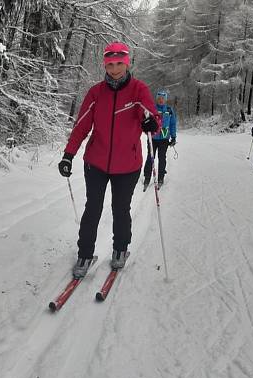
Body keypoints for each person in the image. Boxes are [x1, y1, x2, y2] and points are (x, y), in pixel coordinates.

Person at [58, 41, 161, 279]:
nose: (114, 69)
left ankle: (120, 250)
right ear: (105, 64)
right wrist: (68, 155)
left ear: (126, 63)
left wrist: (152, 123)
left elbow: (153, 119)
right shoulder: (96, 92)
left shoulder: (138, 90)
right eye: (110, 64)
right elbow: (82, 125)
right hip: (96, 162)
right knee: (92, 208)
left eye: (119, 64)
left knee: (120, 209)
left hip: (128, 165)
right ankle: (85, 254)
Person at [142, 90, 177, 188]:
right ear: (156, 99)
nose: (161, 100)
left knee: (162, 158)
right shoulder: (152, 109)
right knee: (150, 157)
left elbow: (173, 124)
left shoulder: (169, 110)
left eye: (163, 99)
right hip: (152, 138)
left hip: (164, 139)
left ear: (165, 100)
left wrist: (173, 137)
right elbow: (145, 121)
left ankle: (161, 177)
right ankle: (147, 177)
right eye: (159, 98)